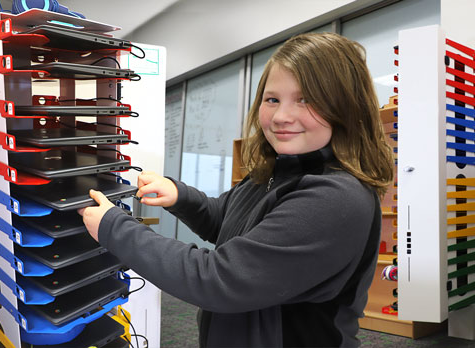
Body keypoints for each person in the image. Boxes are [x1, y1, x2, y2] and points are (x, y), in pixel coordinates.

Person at [79, 32, 395, 347]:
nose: (282, 116)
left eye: (306, 100)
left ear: (346, 108)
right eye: (272, 99)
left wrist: (114, 228)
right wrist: (180, 196)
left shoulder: (334, 198)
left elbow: (218, 280)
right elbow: (225, 219)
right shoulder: (276, 172)